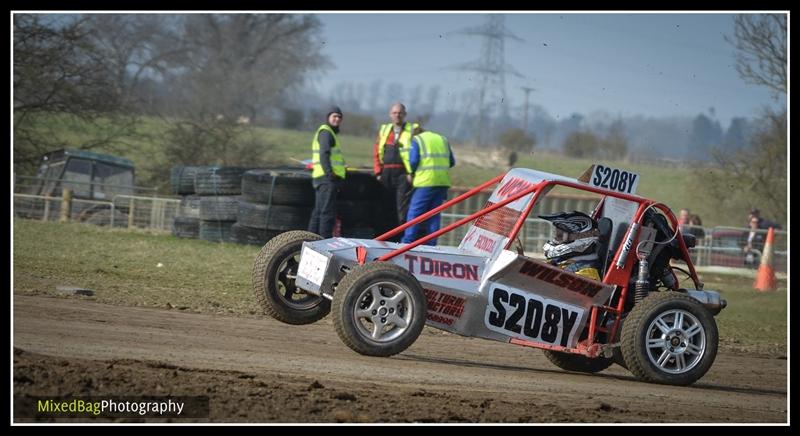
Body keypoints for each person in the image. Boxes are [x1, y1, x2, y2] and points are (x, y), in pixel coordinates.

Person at [400, 127, 455, 245]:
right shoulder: (442, 139)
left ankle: (407, 242)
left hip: (426, 181)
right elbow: (452, 162)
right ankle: (432, 244)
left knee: (414, 213)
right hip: (442, 182)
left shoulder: (417, 140)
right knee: (434, 214)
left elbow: (413, 161)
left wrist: (411, 173)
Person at [372, 103, 418, 235]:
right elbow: (376, 151)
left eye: (400, 113)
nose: (397, 115)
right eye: (394, 113)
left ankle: (400, 240)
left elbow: (418, 151)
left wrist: (412, 173)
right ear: (390, 114)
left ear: (405, 114)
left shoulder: (413, 130)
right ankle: (383, 238)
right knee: (385, 207)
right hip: (386, 173)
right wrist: (378, 172)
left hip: (403, 174)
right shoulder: (385, 130)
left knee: (401, 210)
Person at [308, 106, 346, 238]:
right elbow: (324, 154)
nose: (337, 119)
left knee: (318, 213)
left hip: (321, 177)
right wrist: (330, 174)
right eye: (334, 116)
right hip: (327, 179)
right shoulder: (326, 132)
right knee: (327, 213)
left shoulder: (328, 132)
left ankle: (310, 240)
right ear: (328, 118)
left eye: (339, 117)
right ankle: (324, 243)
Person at [539, 211, 602, 281]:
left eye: (560, 236)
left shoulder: (587, 274)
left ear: (582, 239)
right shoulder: (563, 260)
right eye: (557, 234)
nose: (556, 239)